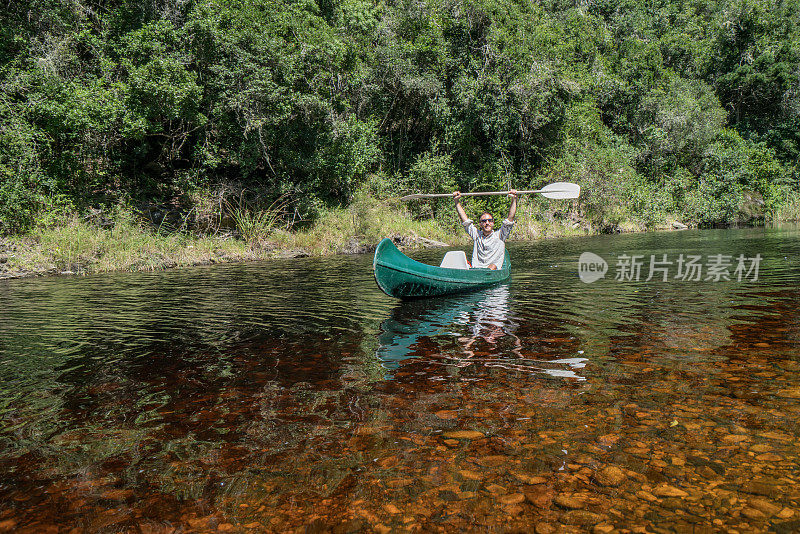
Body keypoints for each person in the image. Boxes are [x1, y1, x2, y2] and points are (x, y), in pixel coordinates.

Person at [453, 189, 517, 270]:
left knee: (492, 266)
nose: (487, 223)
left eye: (489, 220)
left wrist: (514, 199)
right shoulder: (477, 235)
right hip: (477, 270)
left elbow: (510, 219)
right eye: (484, 221)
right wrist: (456, 201)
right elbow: (465, 220)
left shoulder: (500, 235)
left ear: (493, 223)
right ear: (480, 224)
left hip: (492, 271)